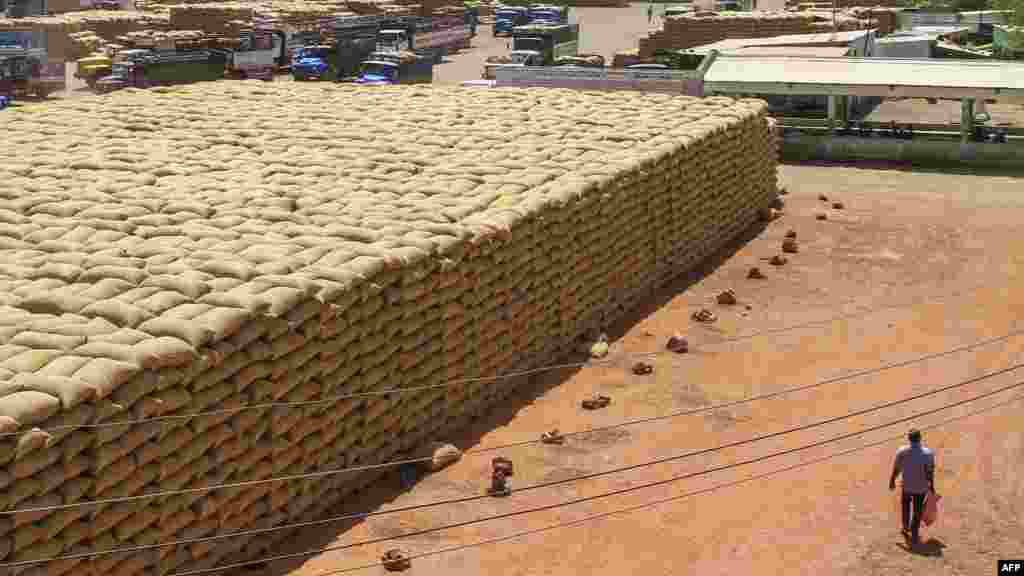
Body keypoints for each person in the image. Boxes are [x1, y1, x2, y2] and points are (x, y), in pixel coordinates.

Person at [889, 429, 936, 546]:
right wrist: (931, 486)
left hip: (907, 486)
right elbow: (930, 472)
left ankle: (905, 527)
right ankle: (914, 531)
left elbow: (897, 468)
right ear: (920, 438)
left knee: (905, 506)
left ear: (909, 439)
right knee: (918, 510)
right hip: (921, 487)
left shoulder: (902, 451)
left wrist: (892, 480)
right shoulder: (928, 453)